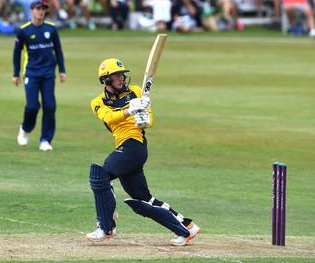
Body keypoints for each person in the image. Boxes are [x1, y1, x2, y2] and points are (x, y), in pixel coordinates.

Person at [86, 58, 200, 246]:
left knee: (100, 176)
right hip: (125, 147)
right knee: (143, 200)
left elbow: (150, 121)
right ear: (106, 79)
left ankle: (105, 227)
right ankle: (186, 227)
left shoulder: (137, 91)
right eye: (116, 75)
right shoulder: (98, 102)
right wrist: (130, 111)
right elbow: (109, 117)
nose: (121, 78)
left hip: (134, 145)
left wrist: (143, 118)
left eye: (122, 74)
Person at [12, 0, 66, 151]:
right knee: (32, 106)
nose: (41, 11)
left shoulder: (51, 28)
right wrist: (15, 74)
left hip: (48, 73)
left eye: (43, 9)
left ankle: (45, 140)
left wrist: (62, 70)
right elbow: (17, 53)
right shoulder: (24, 31)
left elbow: (58, 50)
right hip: (31, 72)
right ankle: (25, 128)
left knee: (49, 106)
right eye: (38, 9)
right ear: (31, 11)